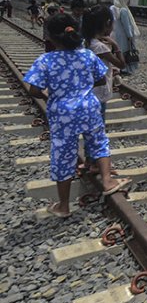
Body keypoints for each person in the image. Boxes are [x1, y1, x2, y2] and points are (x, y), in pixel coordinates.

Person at [23, 13, 129, 217]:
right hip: (89, 108)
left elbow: (34, 90)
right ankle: (107, 181)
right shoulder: (87, 55)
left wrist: (50, 96)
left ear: (51, 37)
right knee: (98, 142)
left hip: (62, 113)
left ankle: (63, 205)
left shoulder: (45, 60)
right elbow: (100, 79)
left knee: (63, 154)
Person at [82, 6, 125, 122]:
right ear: (107, 23)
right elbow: (121, 64)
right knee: (99, 124)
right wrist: (116, 46)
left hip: (87, 90)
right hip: (99, 92)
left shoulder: (86, 42)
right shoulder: (100, 47)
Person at [110, 0, 140, 74]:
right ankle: (126, 68)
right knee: (126, 51)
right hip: (124, 35)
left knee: (121, 51)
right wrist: (129, 35)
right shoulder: (124, 10)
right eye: (128, 0)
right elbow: (127, 25)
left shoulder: (117, 9)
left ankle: (122, 68)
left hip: (118, 34)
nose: (129, 2)